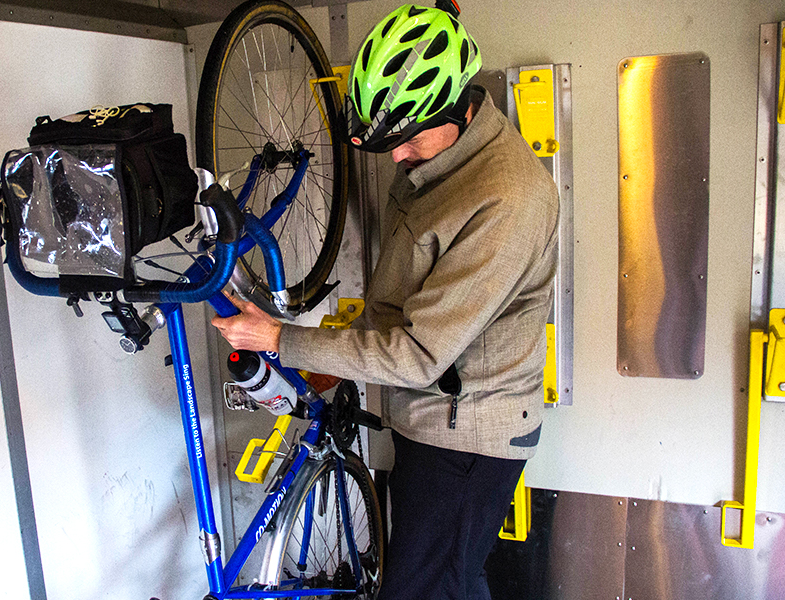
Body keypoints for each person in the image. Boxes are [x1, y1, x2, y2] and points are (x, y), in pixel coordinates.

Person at [213, 4, 559, 599]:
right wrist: (326, 362)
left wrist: (279, 337)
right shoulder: (439, 160)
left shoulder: (507, 199)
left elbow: (421, 353)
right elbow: (403, 297)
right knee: (446, 580)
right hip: (434, 420)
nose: (397, 158)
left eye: (407, 141)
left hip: (466, 440)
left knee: (427, 590)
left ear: (457, 108)